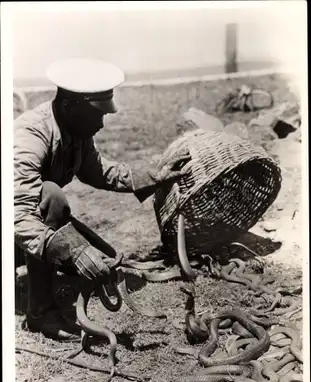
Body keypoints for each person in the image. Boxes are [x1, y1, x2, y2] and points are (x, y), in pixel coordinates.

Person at [14, 58, 190, 341]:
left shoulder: (74, 127)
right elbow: (18, 213)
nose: (101, 123)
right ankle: (40, 313)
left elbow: (97, 171)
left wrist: (152, 175)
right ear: (69, 105)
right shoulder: (29, 135)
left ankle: (47, 272)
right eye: (96, 115)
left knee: (105, 261)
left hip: (27, 230)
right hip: (15, 226)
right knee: (52, 195)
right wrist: (67, 248)